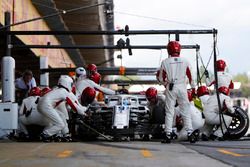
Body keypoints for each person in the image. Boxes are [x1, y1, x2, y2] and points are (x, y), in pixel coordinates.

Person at [157, 41, 197, 143]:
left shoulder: (165, 62)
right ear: (179, 50)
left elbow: (160, 78)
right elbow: (191, 76)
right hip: (182, 87)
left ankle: (168, 134)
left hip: (171, 87)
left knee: (169, 111)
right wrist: (193, 88)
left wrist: (165, 83)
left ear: (168, 50)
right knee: (185, 110)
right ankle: (190, 133)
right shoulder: (185, 61)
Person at [37, 75, 88, 142]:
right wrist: (83, 113)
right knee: (60, 124)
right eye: (71, 84)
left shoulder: (57, 89)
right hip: (46, 105)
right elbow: (73, 106)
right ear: (67, 83)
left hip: (42, 104)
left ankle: (65, 134)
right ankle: (45, 134)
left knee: (62, 116)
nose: (71, 85)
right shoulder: (64, 92)